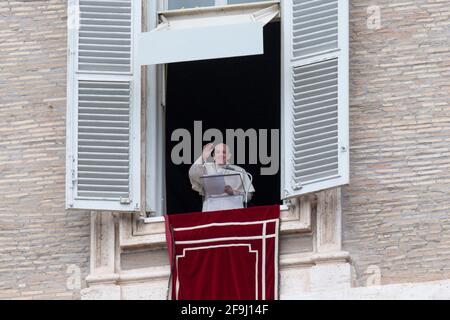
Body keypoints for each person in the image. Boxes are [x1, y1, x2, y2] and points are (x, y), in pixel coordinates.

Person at [189, 143, 255, 212]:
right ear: (213, 156)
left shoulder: (239, 171)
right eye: (218, 152)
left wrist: (233, 192)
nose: (221, 155)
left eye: (224, 152)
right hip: (211, 211)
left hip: (234, 211)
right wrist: (203, 156)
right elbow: (193, 173)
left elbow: (248, 196)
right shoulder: (206, 168)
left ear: (229, 156)